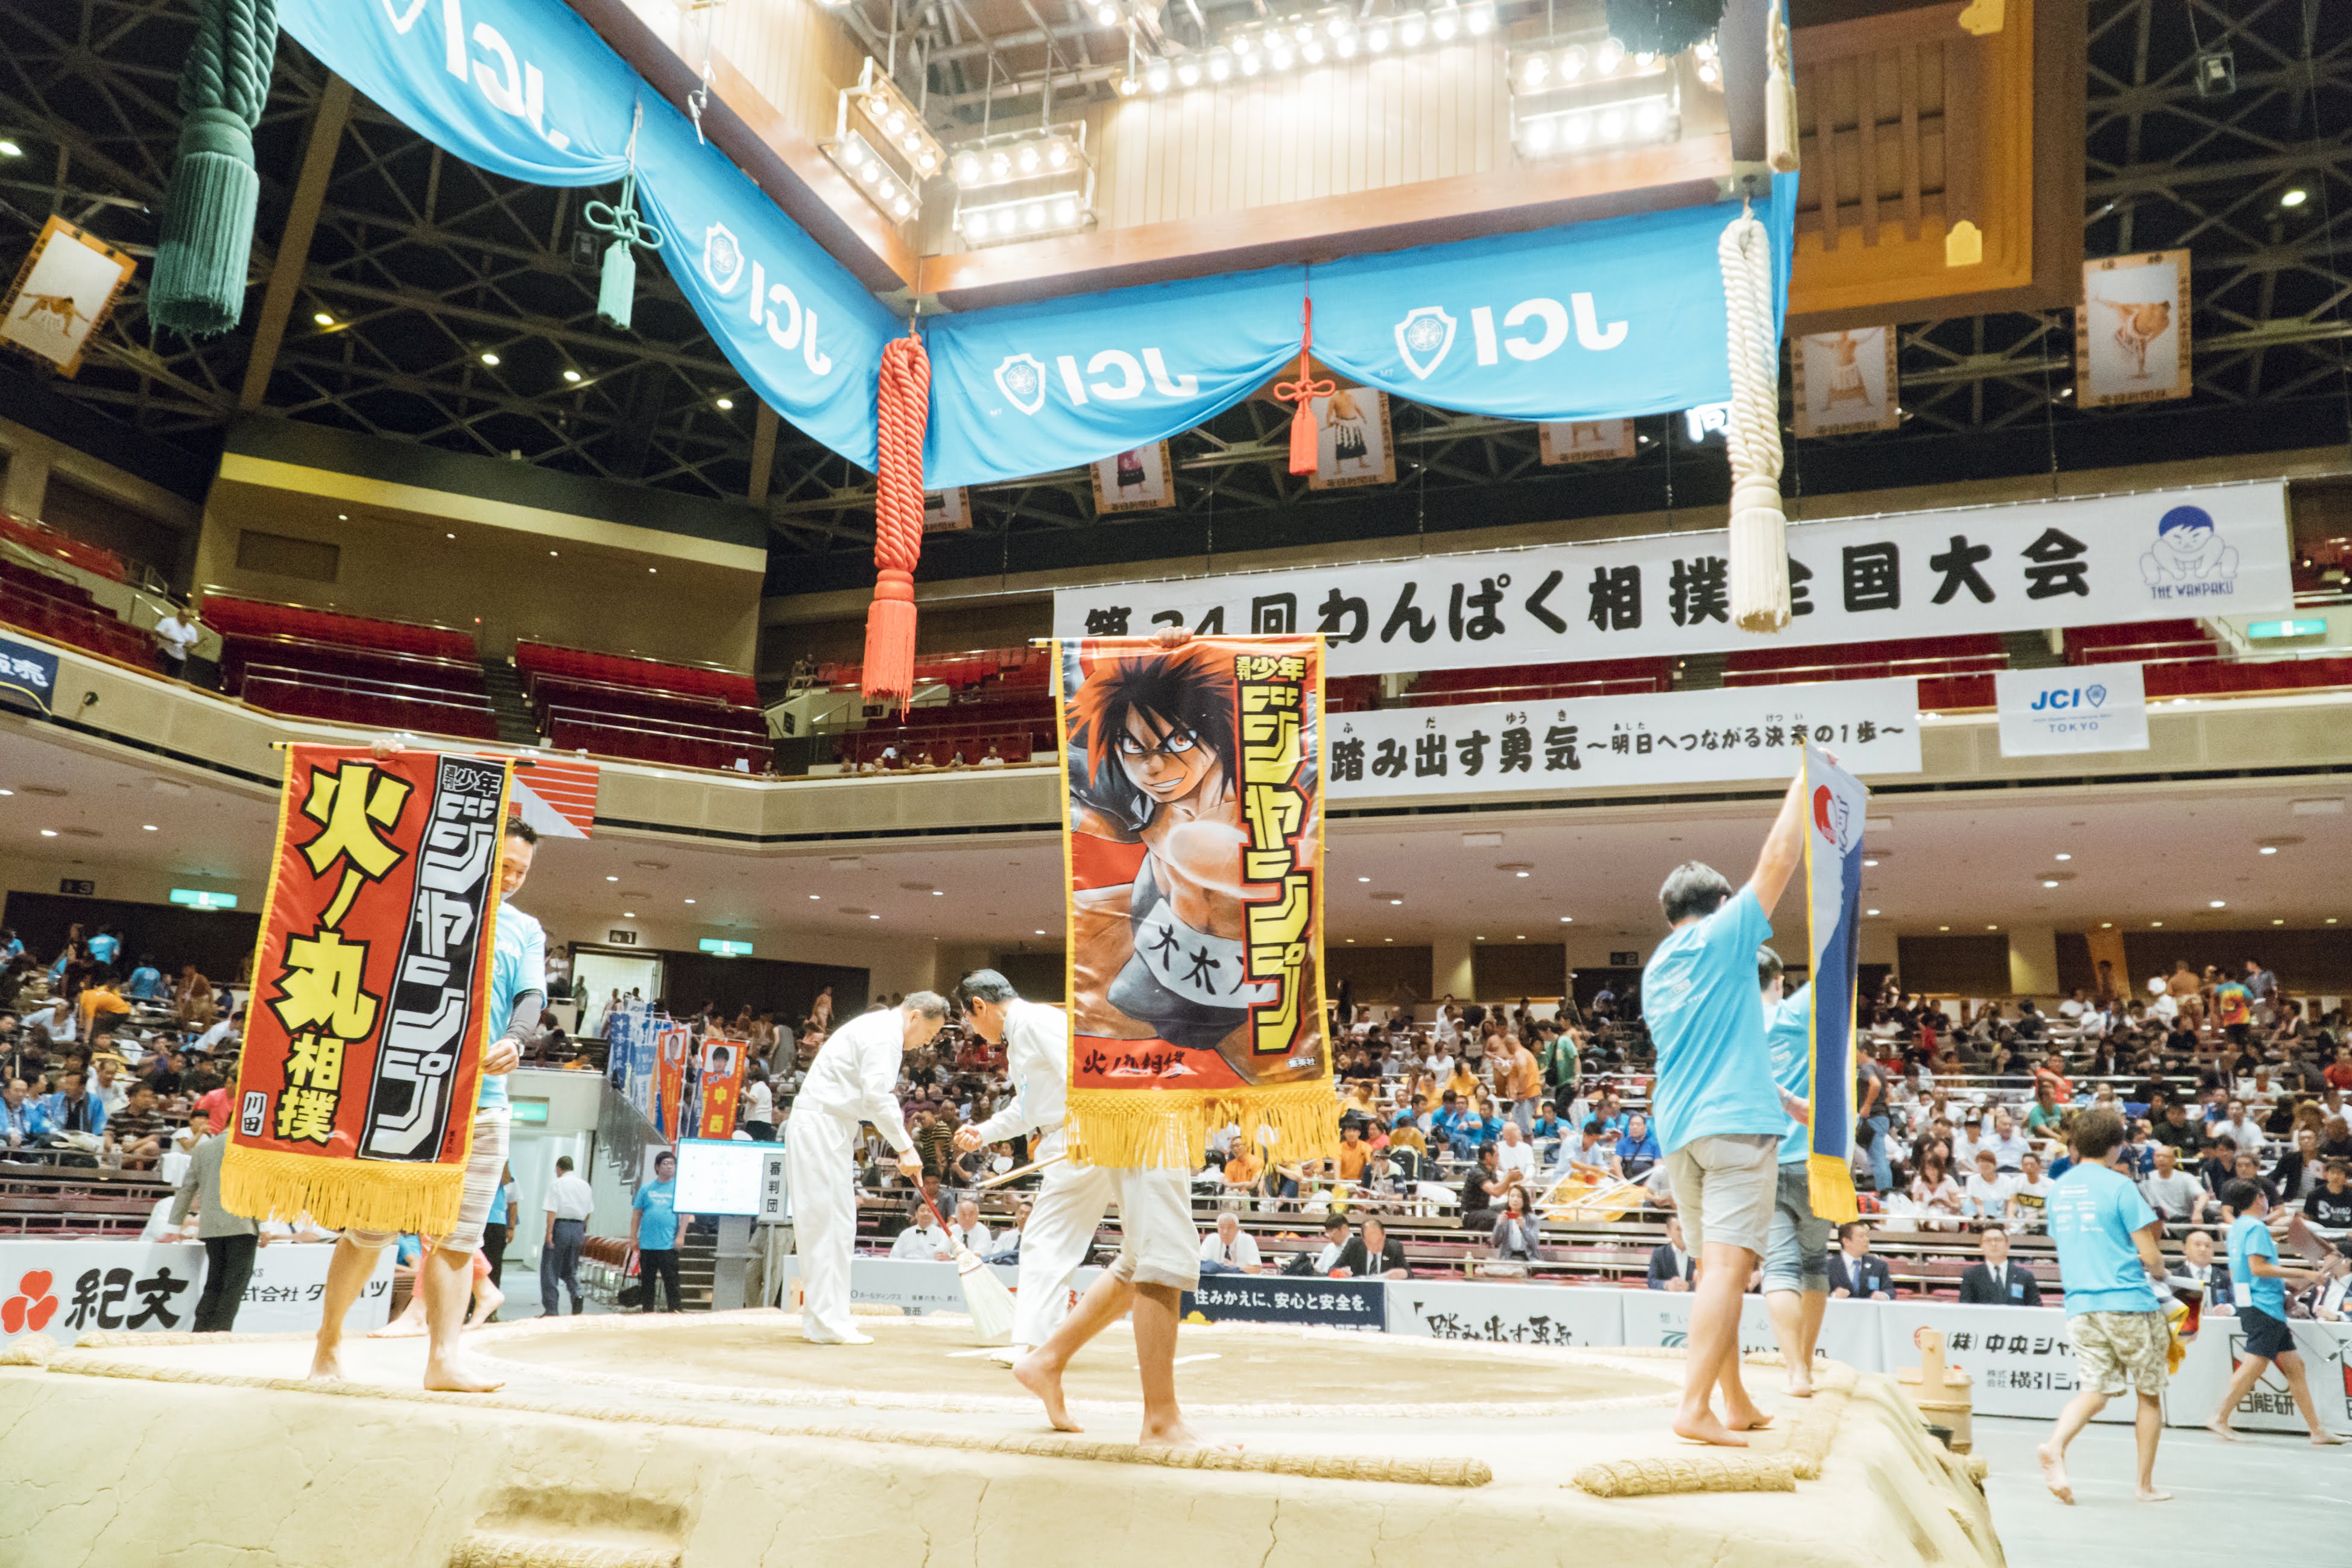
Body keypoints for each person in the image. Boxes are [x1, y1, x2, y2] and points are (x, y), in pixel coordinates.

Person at [311, 813, 544, 1391]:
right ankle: (327, 1344)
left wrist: (517, 1039)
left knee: (461, 1239)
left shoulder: (525, 928)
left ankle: (444, 1359)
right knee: (370, 1230)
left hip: (483, 1099)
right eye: (504, 865)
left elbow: (531, 995)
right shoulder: (420, 906)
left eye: (522, 871)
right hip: (405, 1090)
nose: (512, 878)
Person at [1641, 760, 1813, 1446]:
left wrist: (1787, 1100)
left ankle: (1733, 1399)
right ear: (1719, 903)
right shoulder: (1723, 934)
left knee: (1717, 1269)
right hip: (1734, 1129)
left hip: (1681, 1128)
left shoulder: (1658, 966)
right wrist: (1803, 779)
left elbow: (1717, 1048)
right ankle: (1693, 1407)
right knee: (1728, 1268)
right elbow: (1779, 858)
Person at [949, 970, 1099, 1353]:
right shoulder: (1021, 1033)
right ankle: (1039, 1342)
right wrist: (983, 1132)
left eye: (968, 1017)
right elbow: (1028, 1108)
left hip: (1080, 1138)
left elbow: (1082, 1074)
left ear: (980, 1006)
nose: (971, 1028)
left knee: (1046, 1241)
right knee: (1050, 1242)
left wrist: (1089, 1129)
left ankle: (1036, 1344)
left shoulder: (1035, 1022)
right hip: (1069, 1136)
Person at [788, 993, 942, 1343]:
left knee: (837, 1226)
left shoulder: (879, 1029)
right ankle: (826, 1323)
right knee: (826, 1226)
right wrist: (905, 1147)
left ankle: (829, 1319)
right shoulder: (884, 1035)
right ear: (915, 1016)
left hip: (831, 1126)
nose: (926, 1042)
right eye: (929, 1033)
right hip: (821, 1125)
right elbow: (877, 1097)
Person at [2038, 1108, 2173, 1505]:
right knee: (2149, 1394)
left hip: (2080, 1303)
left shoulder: (2058, 1190)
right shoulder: (2120, 1187)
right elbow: (2150, 1255)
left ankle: (2055, 1444)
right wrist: (2161, 1269)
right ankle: (2144, 1486)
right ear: (2117, 1146)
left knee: (2095, 1391)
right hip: (2128, 1301)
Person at [2208, 1178, 2344, 1445]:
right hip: (2263, 1305)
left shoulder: (2238, 1227)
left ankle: (2317, 1430)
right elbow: (2259, 1268)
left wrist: (2285, 1281)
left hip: (2255, 1302)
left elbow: (2245, 1267)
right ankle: (2219, 1416)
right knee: (2255, 1364)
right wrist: (2304, 1273)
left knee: (2295, 1367)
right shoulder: (2256, 1228)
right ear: (2259, 1198)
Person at [1757, 947, 1832, 1397]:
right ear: (1780, 981)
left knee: (1780, 1266)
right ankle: (1806, 1362)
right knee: (1814, 1261)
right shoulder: (1797, 1011)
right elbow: (1833, 969)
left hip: (1764, 1158)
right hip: (1816, 1157)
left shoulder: (1735, 1028)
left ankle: (1796, 1372)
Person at [169, 1118, 261, 1332]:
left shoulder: (203, 1149)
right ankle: (220, 1332)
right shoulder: (250, 1148)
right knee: (234, 1284)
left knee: (214, 1281)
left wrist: (174, 1224)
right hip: (242, 1224)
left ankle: (201, 1330)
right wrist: (264, 1226)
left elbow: (187, 1188)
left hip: (211, 1225)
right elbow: (258, 1190)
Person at [625, 1149, 687, 1312]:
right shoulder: (646, 1189)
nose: (670, 1167)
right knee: (647, 1282)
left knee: (671, 1282)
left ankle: (675, 1311)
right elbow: (637, 1214)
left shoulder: (679, 1188)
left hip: (668, 1244)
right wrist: (633, 1237)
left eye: (672, 1164)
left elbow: (685, 1214)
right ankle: (648, 1312)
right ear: (657, 1167)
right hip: (647, 1244)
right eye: (665, 1164)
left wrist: (681, 1235)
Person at [541, 1154, 595, 1317]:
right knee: (571, 1268)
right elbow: (589, 1211)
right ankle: (578, 1293)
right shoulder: (585, 1185)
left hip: (561, 1227)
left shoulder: (557, 1184)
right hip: (578, 1228)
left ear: (559, 1168)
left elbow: (552, 1211)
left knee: (550, 1269)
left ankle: (551, 1309)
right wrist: (581, 1228)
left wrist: (549, 1232)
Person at [1958, 1224, 2043, 1306]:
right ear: (1982, 1247)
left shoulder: (2025, 1276)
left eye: (1998, 1240)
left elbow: (2036, 1307)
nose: (1993, 1244)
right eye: (1988, 1240)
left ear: (2007, 1246)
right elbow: (1965, 1307)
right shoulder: (1971, 1275)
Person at [1826, 1222, 1893, 1299]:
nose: (1867, 1240)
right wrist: (1833, 1296)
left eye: (1867, 1236)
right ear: (1846, 1241)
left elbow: (1890, 1290)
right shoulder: (1828, 1266)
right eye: (1861, 1236)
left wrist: (1884, 1296)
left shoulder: (1878, 1266)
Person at [1338, 1214, 1411, 1277]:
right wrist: (1340, 1273)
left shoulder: (1395, 1247)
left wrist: (1404, 1274)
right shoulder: (1353, 1245)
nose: (1376, 1247)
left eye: (1379, 1241)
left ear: (1384, 1235)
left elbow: (1410, 1274)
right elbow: (1334, 1268)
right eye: (1370, 1243)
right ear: (1363, 1239)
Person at [1197, 1212, 1261, 1274]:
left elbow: (1256, 1270)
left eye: (1230, 1228)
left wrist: (1234, 1269)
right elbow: (1199, 1265)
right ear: (1218, 1229)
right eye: (1222, 1227)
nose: (1225, 1232)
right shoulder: (1211, 1239)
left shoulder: (1247, 1240)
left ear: (1237, 1229)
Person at [1646, 1215, 1696, 1291]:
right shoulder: (1659, 1253)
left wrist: (1689, 1286)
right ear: (1669, 1233)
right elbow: (1651, 1281)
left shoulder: (1698, 1254)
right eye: (1679, 1229)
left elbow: (1708, 1281)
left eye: (1686, 1228)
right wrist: (1667, 1285)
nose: (1683, 1233)